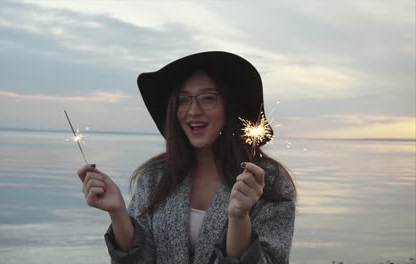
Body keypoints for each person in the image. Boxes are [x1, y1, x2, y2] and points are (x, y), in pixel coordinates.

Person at [77, 51, 296, 264]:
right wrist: (117, 213)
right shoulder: (155, 177)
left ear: (231, 106)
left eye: (208, 98)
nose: (193, 111)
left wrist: (239, 218)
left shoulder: (269, 182)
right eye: (183, 99)